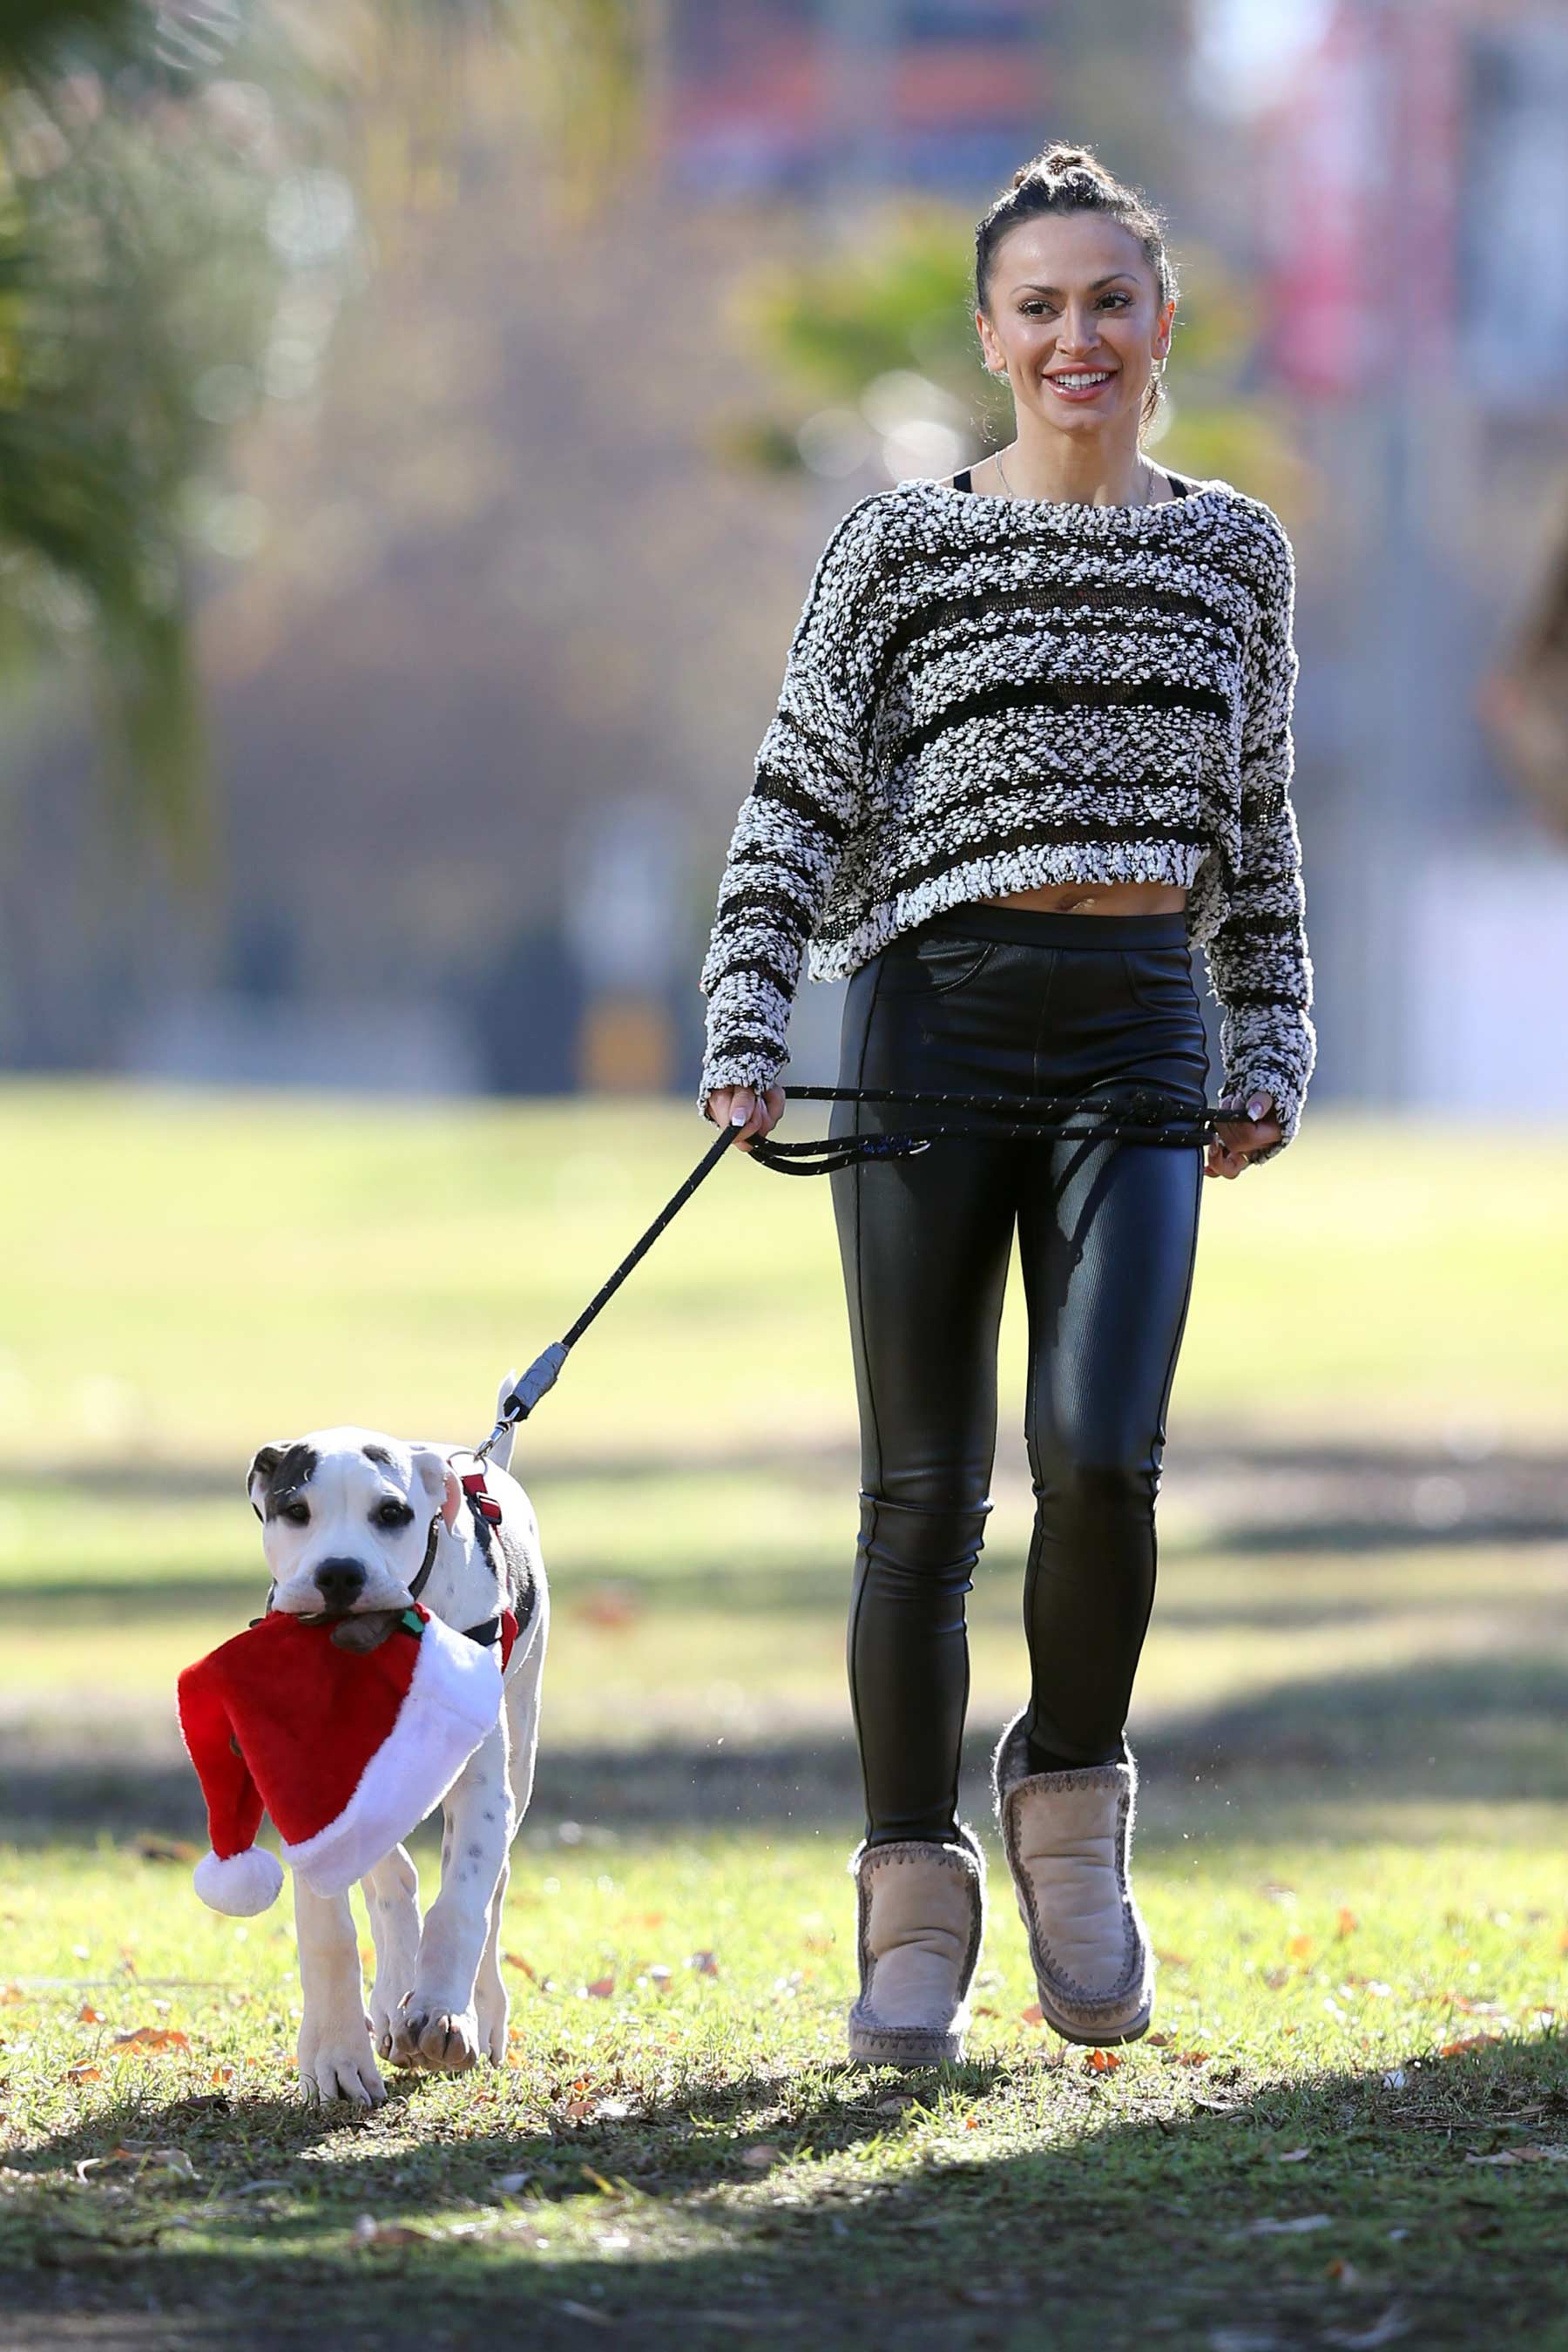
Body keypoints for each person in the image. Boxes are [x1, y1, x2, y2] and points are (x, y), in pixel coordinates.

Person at [696, 143, 1315, 2065]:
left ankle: (1070, 1813)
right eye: (1038, 309)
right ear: (988, 335)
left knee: (1106, 1455)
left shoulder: (1234, 555)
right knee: (921, 1493)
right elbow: (797, 786)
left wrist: (1270, 1030)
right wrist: (742, 1006)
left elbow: (1258, 825)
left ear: (1161, 325)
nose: (1076, 339)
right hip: (931, 1026)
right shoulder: (900, 547)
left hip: (1141, 1030)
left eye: (1108, 303)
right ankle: (908, 1892)